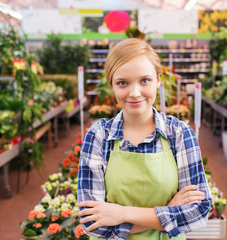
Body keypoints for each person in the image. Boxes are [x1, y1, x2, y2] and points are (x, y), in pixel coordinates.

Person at [77, 38, 212, 240]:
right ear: (111, 86)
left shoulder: (179, 133)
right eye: (123, 83)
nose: (134, 93)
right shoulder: (98, 136)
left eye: (144, 80)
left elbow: (198, 212)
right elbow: (93, 224)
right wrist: (169, 211)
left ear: (158, 80)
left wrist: (121, 213)